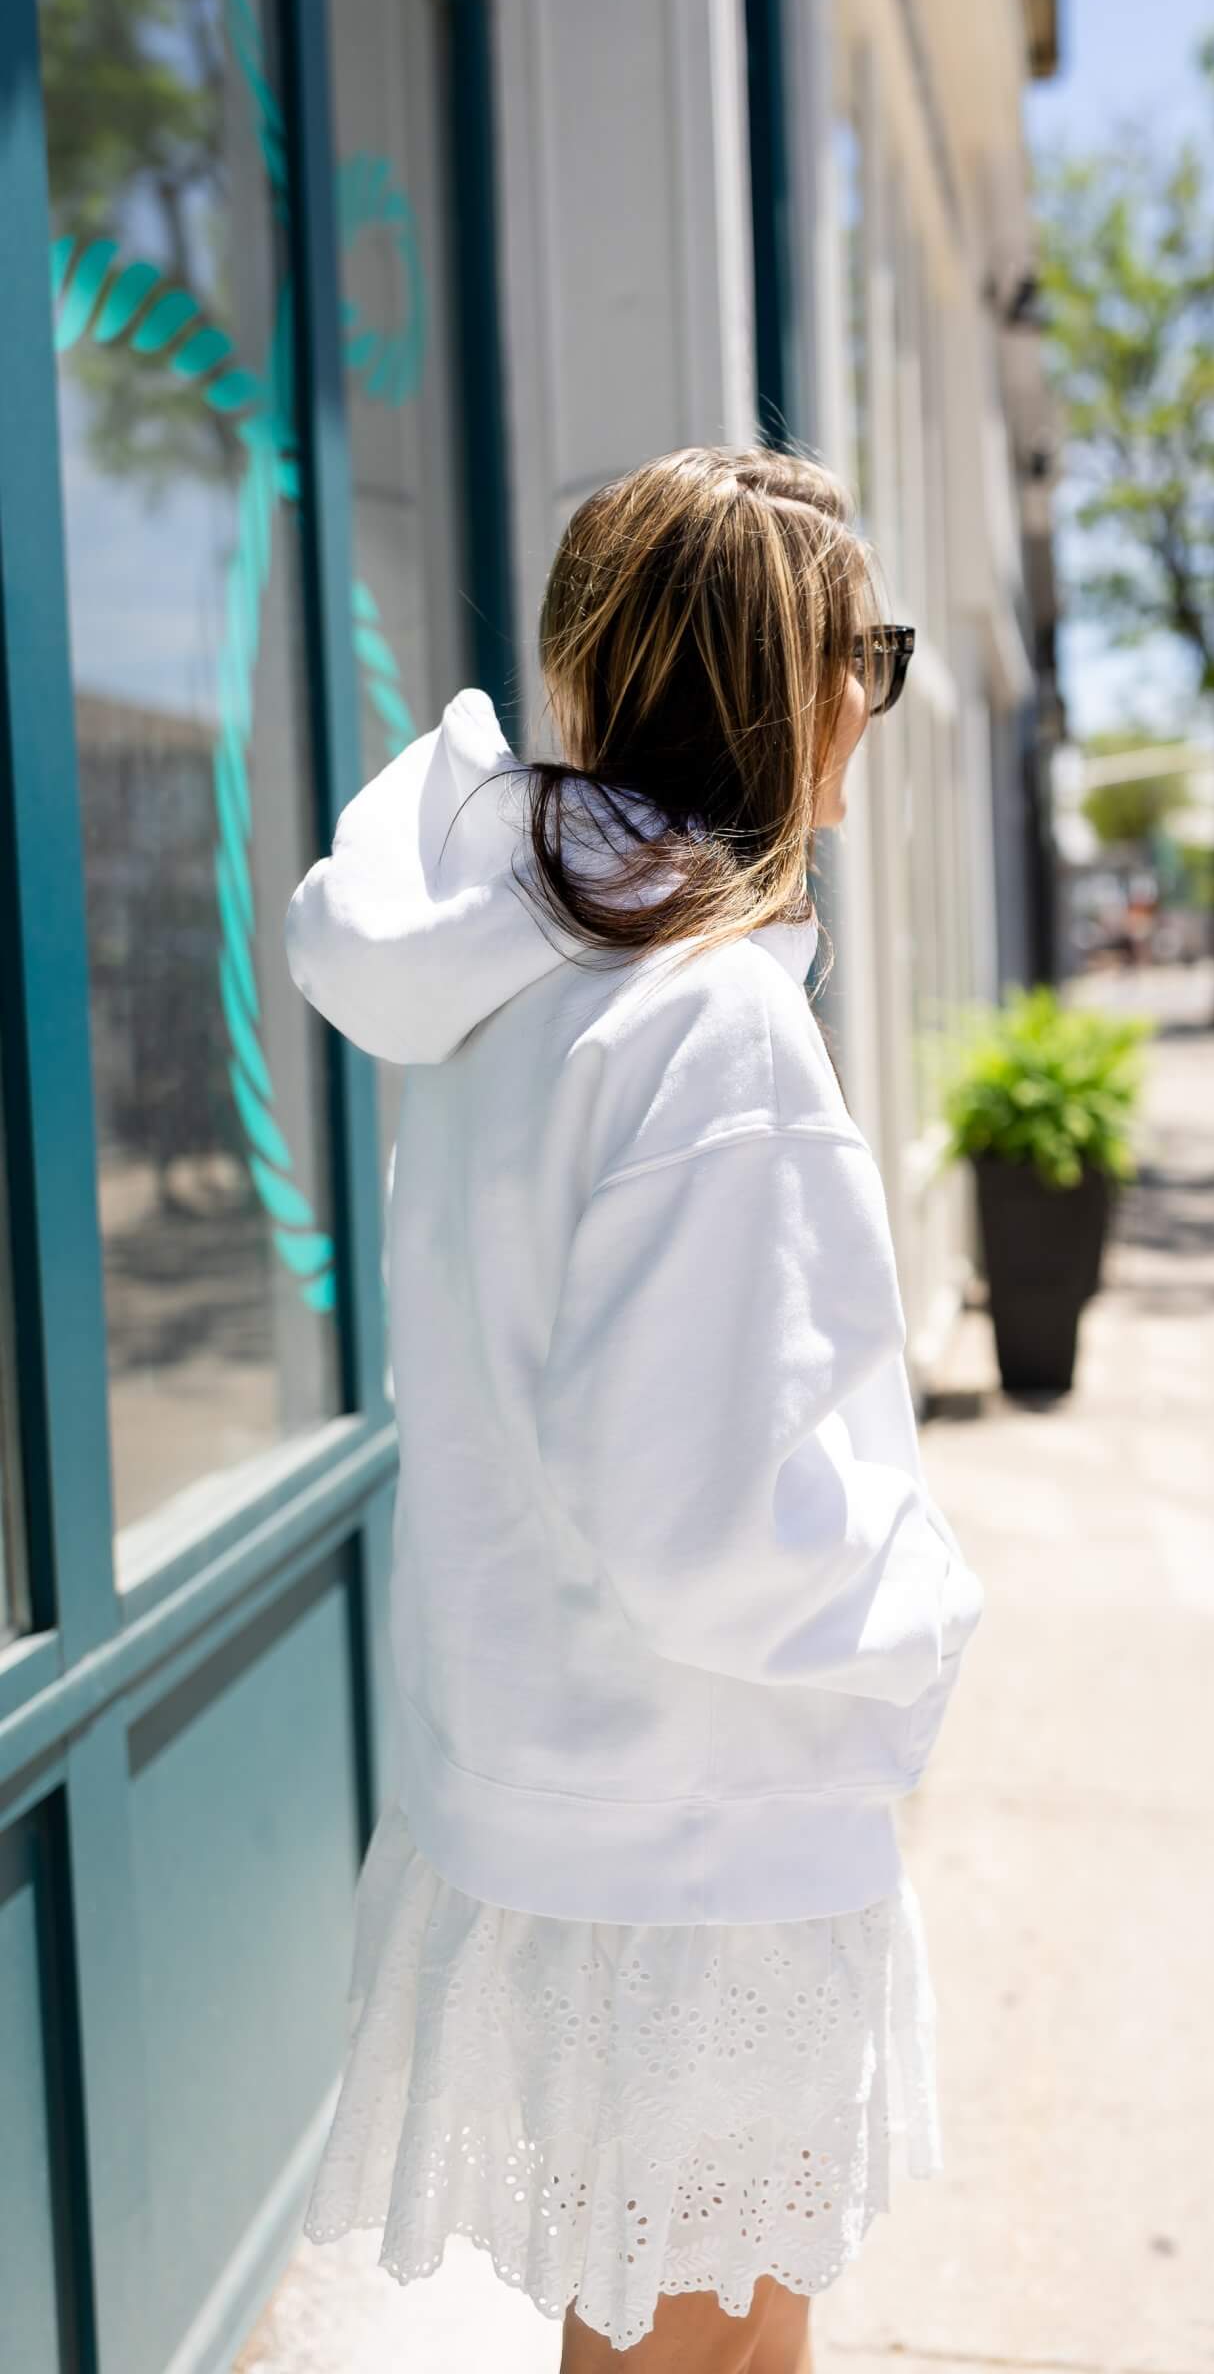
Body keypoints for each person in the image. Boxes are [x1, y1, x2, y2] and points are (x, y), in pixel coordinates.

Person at [282, 445, 985, 2371]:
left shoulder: (530, 994)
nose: (875, 702)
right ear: (791, 678)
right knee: (704, 2351)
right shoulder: (706, 1016)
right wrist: (927, 1615)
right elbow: (720, 1520)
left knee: (690, 2347)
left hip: (571, 1792)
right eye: (871, 655)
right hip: (701, 1833)